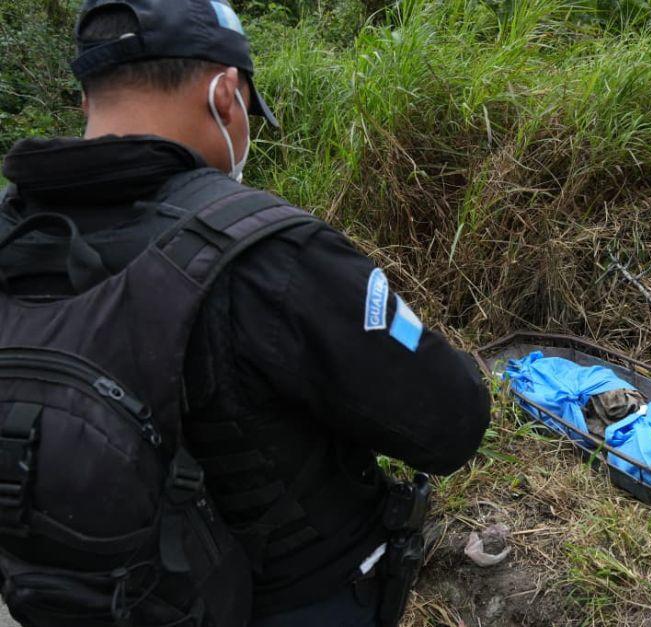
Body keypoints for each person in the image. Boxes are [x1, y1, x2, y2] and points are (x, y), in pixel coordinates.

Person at [0, 1, 491, 625]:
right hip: (286, 600)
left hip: (70, 595)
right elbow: (453, 420)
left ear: (86, 103)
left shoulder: (14, 235)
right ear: (225, 94)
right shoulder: (270, 253)